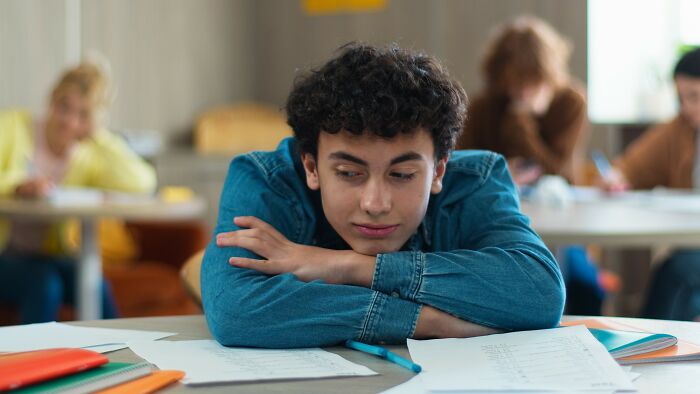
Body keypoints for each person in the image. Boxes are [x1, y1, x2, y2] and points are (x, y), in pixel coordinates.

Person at [201, 43, 565, 348]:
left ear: (438, 170)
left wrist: (348, 267)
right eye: (349, 174)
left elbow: (540, 293)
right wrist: (425, 322)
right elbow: (235, 309)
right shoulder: (265, 179)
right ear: (311, 167)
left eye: (402, 174)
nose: (375, 204)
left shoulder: (475, 179)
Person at [455, 16, 604, 316]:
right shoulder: (485, 107)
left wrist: (521, 121)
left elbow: (558, 170)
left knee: (583, 288)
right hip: (498, 217)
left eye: (530, 82)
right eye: (513, 84)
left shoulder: (570, 102)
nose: (521, 92)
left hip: (561, 217)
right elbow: (462, 166)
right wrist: (499, 172)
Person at [0, 61, 157, 323]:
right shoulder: (12, 126)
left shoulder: (88, 155)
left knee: (95, 284)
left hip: (47, 256)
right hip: (6, 255)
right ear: (52, 99)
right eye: (64, 107)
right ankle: (33, 364)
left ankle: (125, 359)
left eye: (83, 115)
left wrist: (99, 135)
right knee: (45, 285)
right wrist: (17, 185)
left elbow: (143, 181)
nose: (69, 121)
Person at [602, 47, 700, 321]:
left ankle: (653, 346)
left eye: (694, 96)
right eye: (682, 98)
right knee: (677, 272)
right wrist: (616, 177)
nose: (686, 107)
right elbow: (632, 166)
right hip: (693, 240)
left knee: (677, 271)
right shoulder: (680, 129)